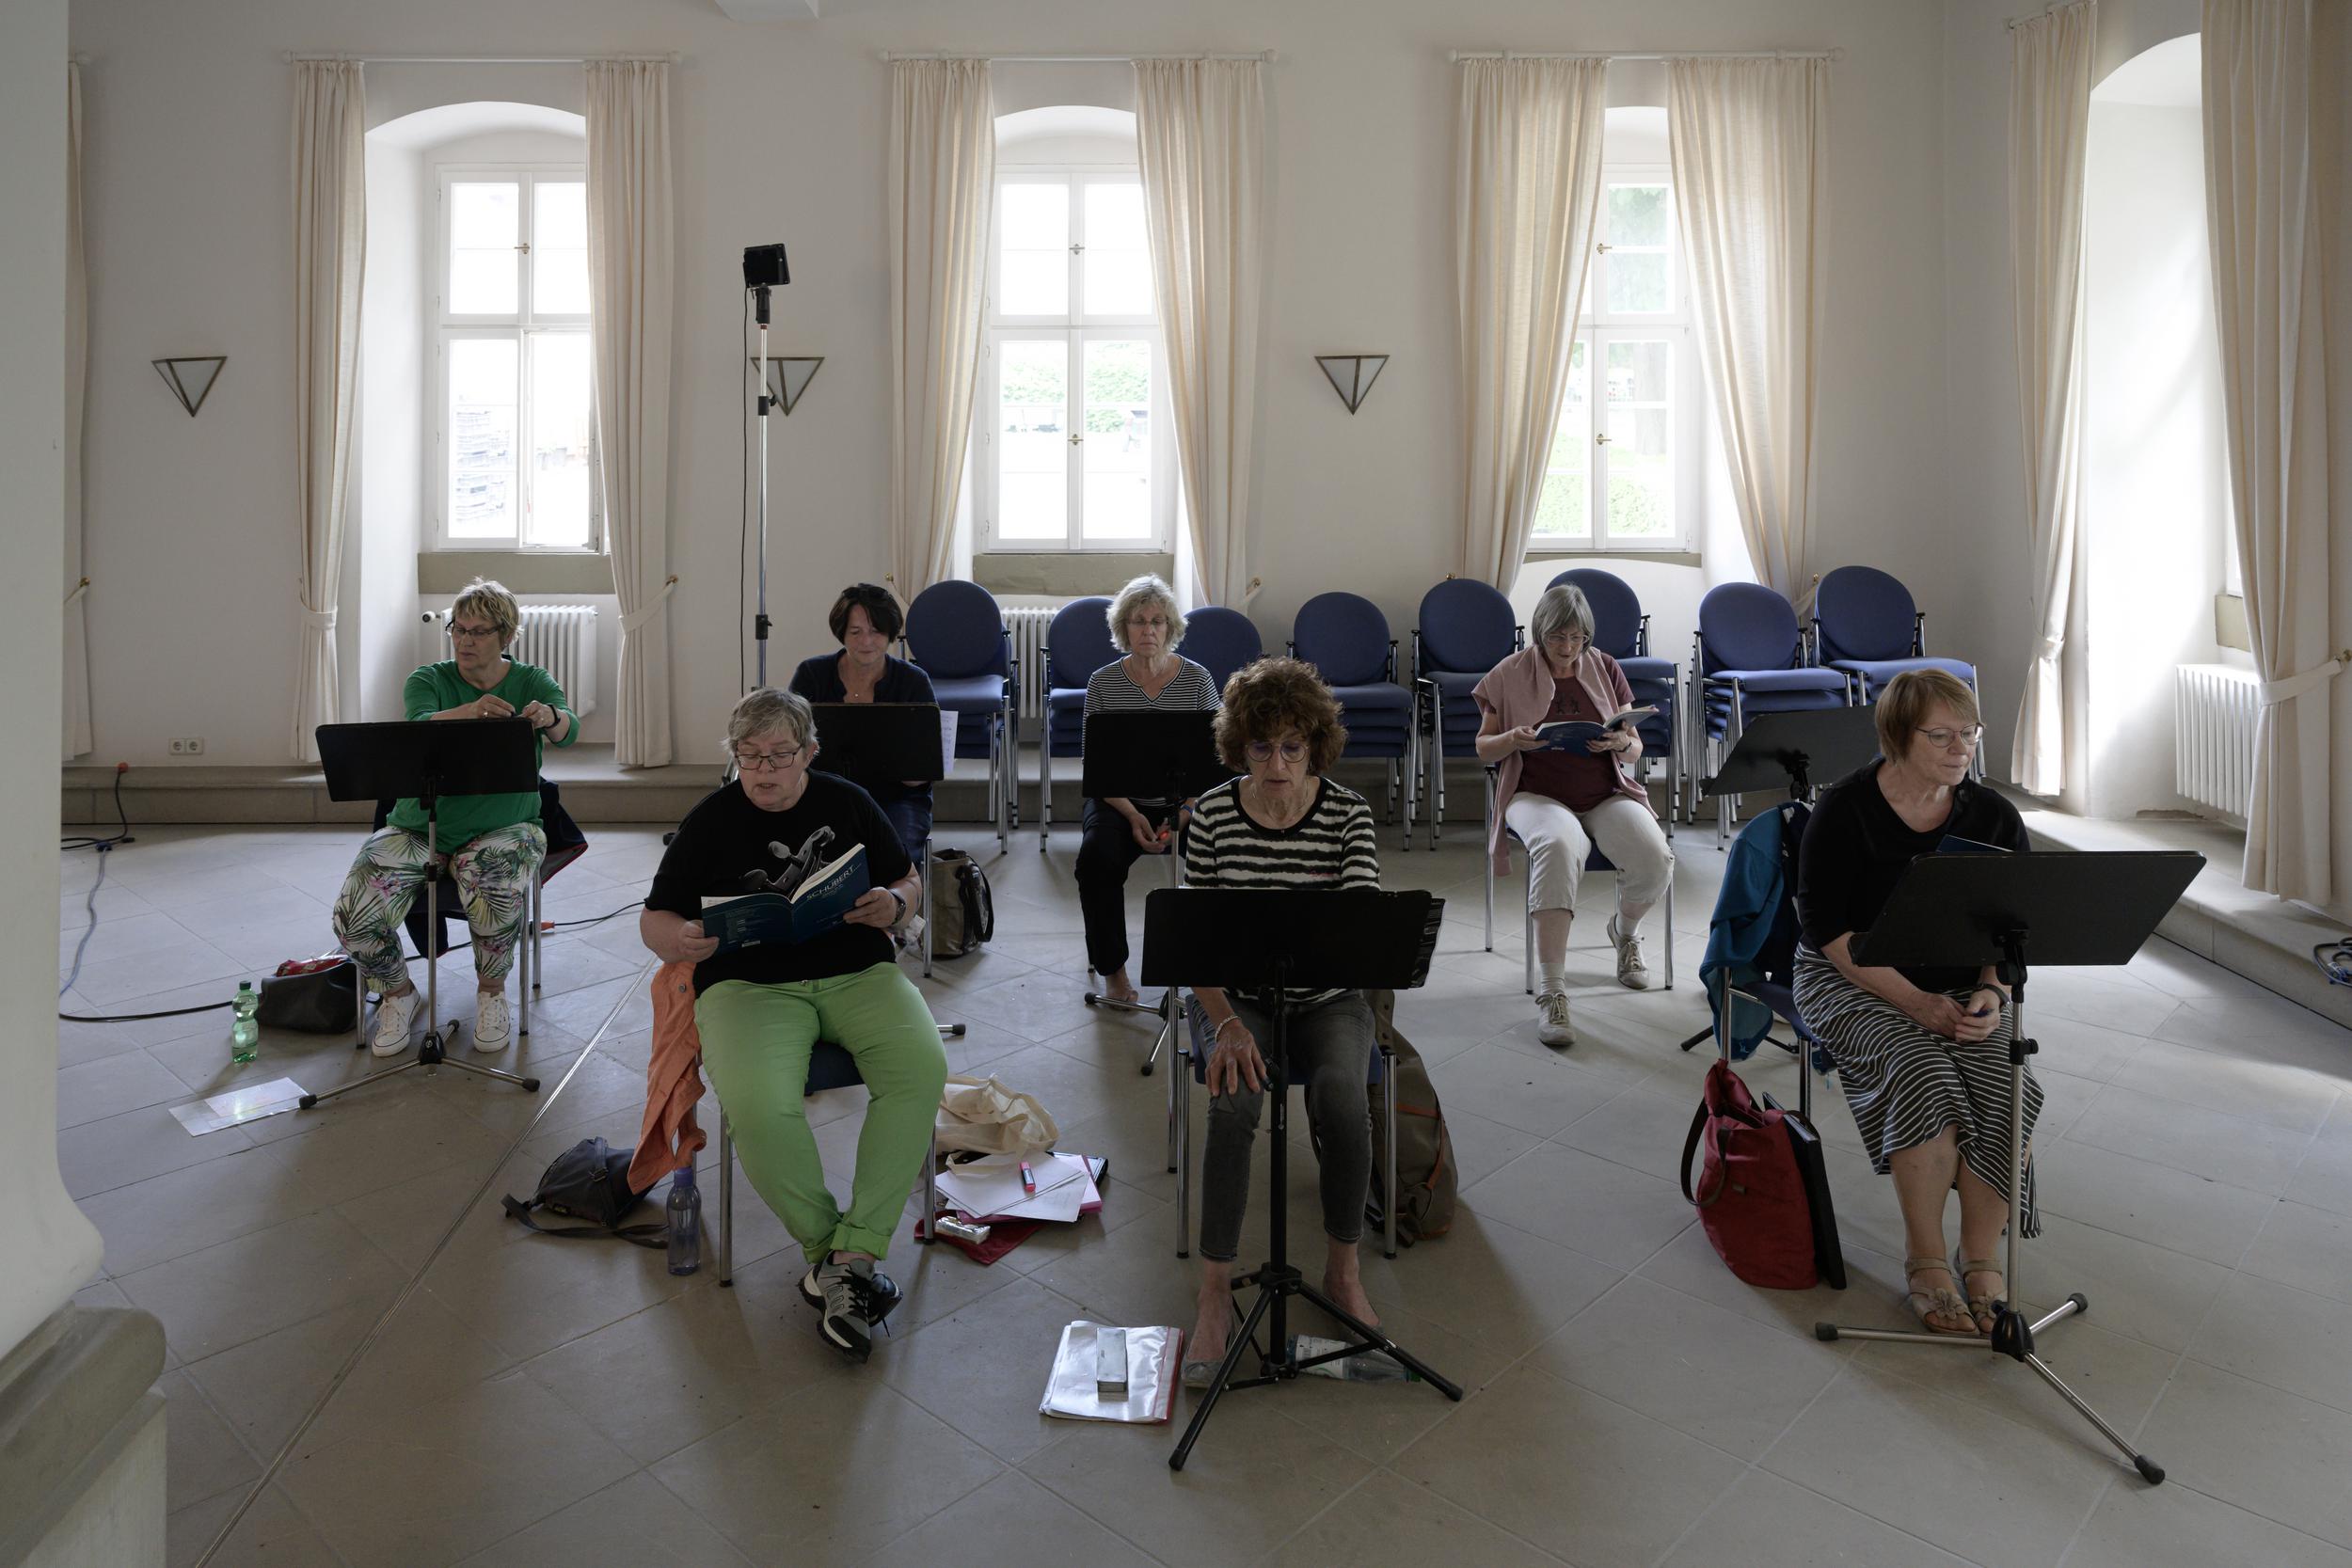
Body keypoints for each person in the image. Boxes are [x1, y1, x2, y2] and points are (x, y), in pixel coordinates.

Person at [640, 689, 946, 1362]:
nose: (763, 769)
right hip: (747, 987)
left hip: (856, 972)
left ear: (809, 752)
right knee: (757, 1105)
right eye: (748, 755)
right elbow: (654, 918)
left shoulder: (847, 801)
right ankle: (839, 1254)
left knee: (921, 1071)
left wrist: (895, 904)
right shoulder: (711, 818)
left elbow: (907, 879)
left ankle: (846, 1258)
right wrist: (678, 939)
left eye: (779, 754)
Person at [1791, 669, 2032, 1337]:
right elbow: (1830, 932)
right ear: (1897, 737)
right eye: (1941, 736)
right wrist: (1918, 1003)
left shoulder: (1992, 815)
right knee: (1921, 1070)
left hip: (1959, 980)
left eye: (1970, 733)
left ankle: (1980, 1256)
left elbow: (2014, 925)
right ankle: (1925, 1257)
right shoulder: (1845, 809)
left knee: (2004, 1078)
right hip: (1850, 976)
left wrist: (1991, 991)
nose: (1962, 749)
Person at [1180, 657, 1384, 1385]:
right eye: (1261, 747)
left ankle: (1342, 1269)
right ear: (1240, 746)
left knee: (1343, 1095)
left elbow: (1361, 928)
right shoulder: (1211, 815)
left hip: (1328, 997)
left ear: (1314, 748)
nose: (1276, 765)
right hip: (1237, 1000)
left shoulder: (1348, 813)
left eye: (1292, 748)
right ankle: (1214, 1293)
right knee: (1233, 1100)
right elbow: (1194, 945)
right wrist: (1226, 1024)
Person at [333, 578, 576, 1057]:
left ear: (506, 636)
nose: (464, 640)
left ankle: (492, 993)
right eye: (458, 629)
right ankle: (399, 993)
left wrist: (551, 716)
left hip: (506, 827)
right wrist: (470, 711)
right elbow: (418, 725)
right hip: (416, 827)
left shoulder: (532, 679)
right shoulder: (428, 679)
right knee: (352, 916)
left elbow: (569, 730)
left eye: (478, 631)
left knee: (494, 893)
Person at [1472, 581, 1675, 1048]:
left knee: (1654, 857)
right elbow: (1483, 747)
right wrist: (1512, 740)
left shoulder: (1606, 667)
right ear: (1539, 633)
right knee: (1558, 845)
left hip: (1604, 793)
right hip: (1536, 794)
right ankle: (1553, 991)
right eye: (1557, 638)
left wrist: (1621, 742)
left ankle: (1624, 934)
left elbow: (1634, 747)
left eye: (1577, 638)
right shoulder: (1508, 672)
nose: (1567, 648)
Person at [1076, 574, 1220, 1004]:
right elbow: (1095, 765)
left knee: (1225, 857)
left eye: (1157, 621)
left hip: (1188, 802)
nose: (1148, 630)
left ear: (1170, 627)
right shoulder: (1103, 683)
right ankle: (1113, 971)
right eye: (1138, 621)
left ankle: (1214, 969)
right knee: (1096, 861)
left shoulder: (1197, 680)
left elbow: (1214, 762)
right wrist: (1133, 815)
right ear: (1124, 628)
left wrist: (1186, 813)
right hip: (1120, 802)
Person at [788, 582, 940, 863]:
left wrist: (912, 769)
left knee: (894, 857)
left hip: (896, 797)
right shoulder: (811, 674)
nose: (866, 641)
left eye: (876, 631)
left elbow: (922, 771)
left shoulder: (913, 681)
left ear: (890, 633)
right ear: (842, 633)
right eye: (855, 632)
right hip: (823, 793)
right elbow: (790, 740)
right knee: (803, 853)